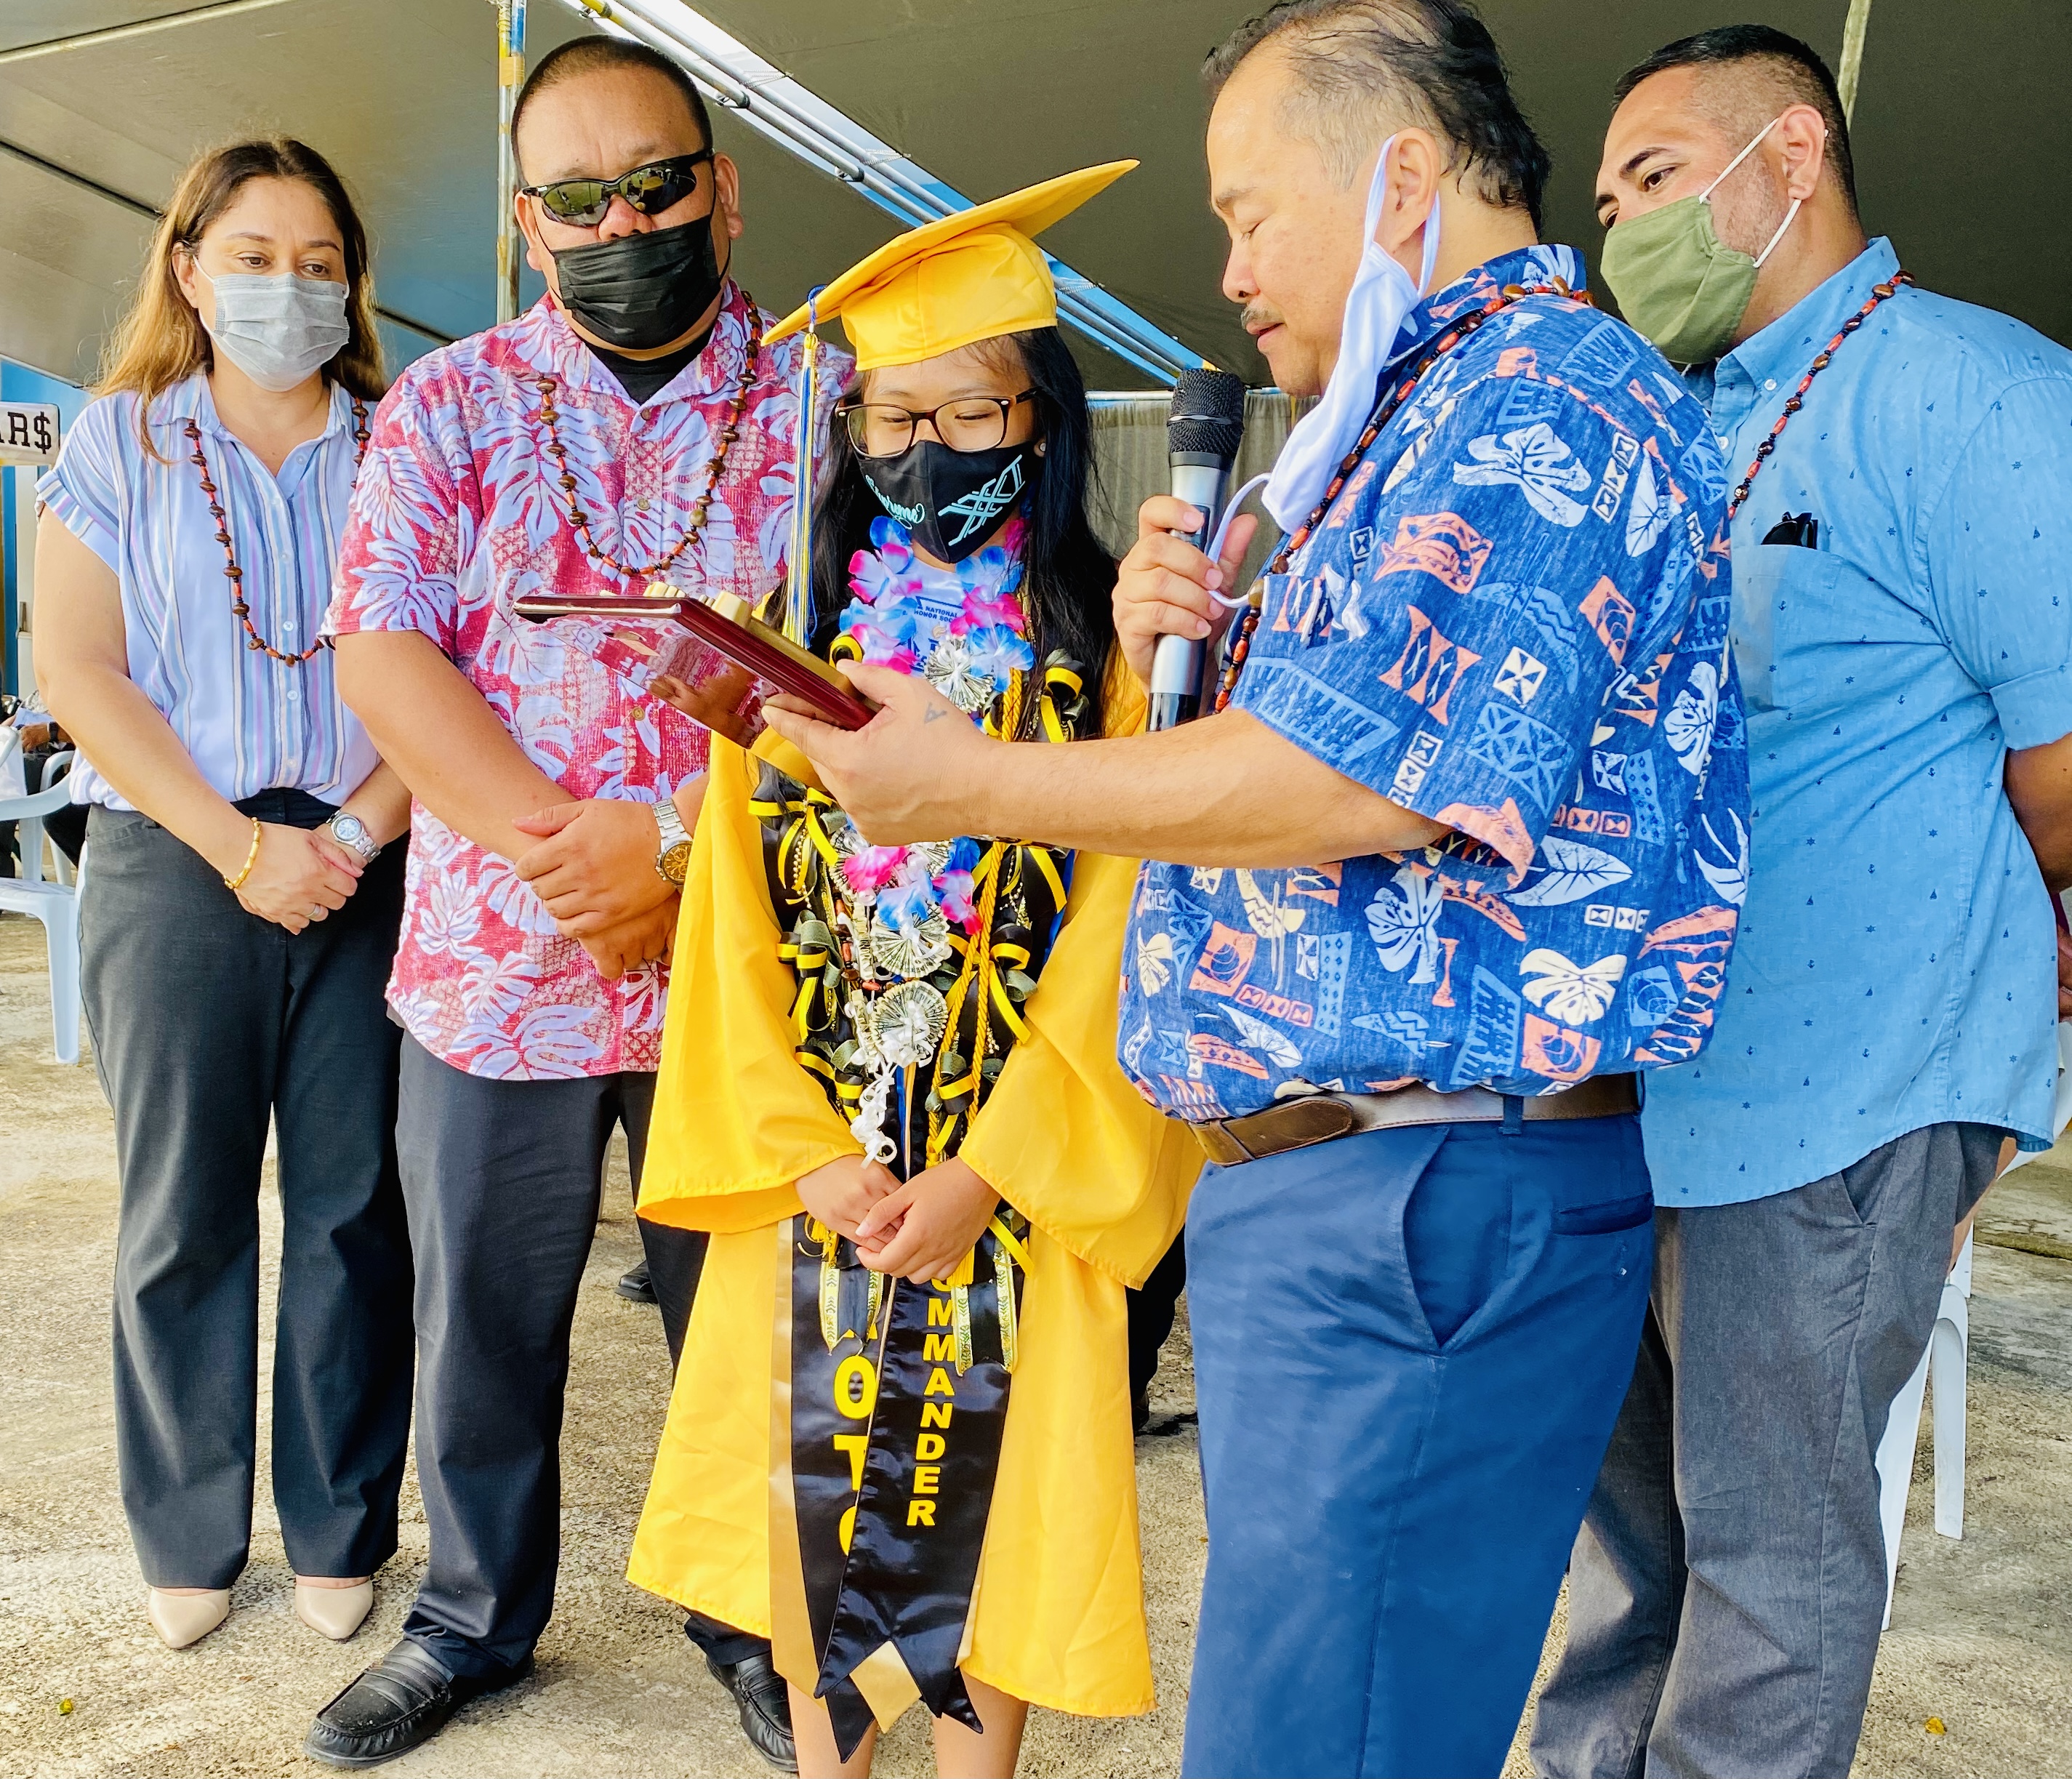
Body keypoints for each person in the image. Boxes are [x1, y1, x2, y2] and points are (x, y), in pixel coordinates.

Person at [760, 4, 1751, 1772]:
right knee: (1312, 1718)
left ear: (1404, 173)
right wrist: (1181, 664)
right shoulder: (1405, 421)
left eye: (1247, 210)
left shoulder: (1543, 400)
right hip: (1357, 1190)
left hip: (1425, 1184)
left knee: (1327, 1741)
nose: (1226, 270)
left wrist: (970, 785)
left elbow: (1352, 786)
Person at [1528, 28, 2072, 1779]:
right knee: (1642, 1559)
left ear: (1796, 147)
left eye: (1659, 181)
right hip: (1634, 1088)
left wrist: (1989, 1057)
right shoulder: (1671, 418)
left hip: (1842, 1096)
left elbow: (2064, 768)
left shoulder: (1971, 392)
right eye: (1605, 205)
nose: (1622, 232)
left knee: (1772, 1565)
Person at [625, 164, 1200, 1779]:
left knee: (1002, 1526)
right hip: (817, 1177)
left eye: (970, 417)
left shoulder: (1109, 671)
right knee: (802, 1493)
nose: (923, 453)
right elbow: (727, 918)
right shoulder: (787, 649)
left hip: (1014, 1179)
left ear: (1043, 423)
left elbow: (1125, 927)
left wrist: (987, 1170)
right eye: (890, 420)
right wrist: (805, 1156)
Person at [308, 36, 841, 1770]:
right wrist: (571, 849)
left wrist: (680, 855)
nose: (628, 222)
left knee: (752, 1323)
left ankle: (762, 1623)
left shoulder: (836, 405)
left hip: (748, 967)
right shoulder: (448, 407)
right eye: (582, 197)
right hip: (500, 968)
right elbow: (386, 654)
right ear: (531, 223)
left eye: (660, 184)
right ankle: (470, 1619)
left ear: (724, 186)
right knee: (482, 1321)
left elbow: (872, 674)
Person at [33, 139, 413, 1653]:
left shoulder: (404, 442)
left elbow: (440, 673)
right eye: (251, 256)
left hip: (365, 860)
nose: (287, 286)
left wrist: (352, 838)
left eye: (318, 261)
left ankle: (339, 1526)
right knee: (181, 1215)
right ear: (187, 268)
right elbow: (78, 670)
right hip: (172, 863)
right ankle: (189, 1530)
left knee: (350, 1211)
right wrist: (241, 847)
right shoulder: (117, 441)